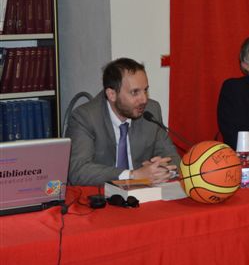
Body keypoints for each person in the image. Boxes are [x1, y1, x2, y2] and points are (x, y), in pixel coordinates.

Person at [67, 58, 180, 186]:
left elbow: (173, 159)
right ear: (112, 94)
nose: (144, 99)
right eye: (135, 92)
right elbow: (78, 171)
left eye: (145, 90)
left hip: (143, 193)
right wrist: (133, 175)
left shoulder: (151, 110)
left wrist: (162, 169)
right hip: (102, 193)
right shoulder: (85, 117)